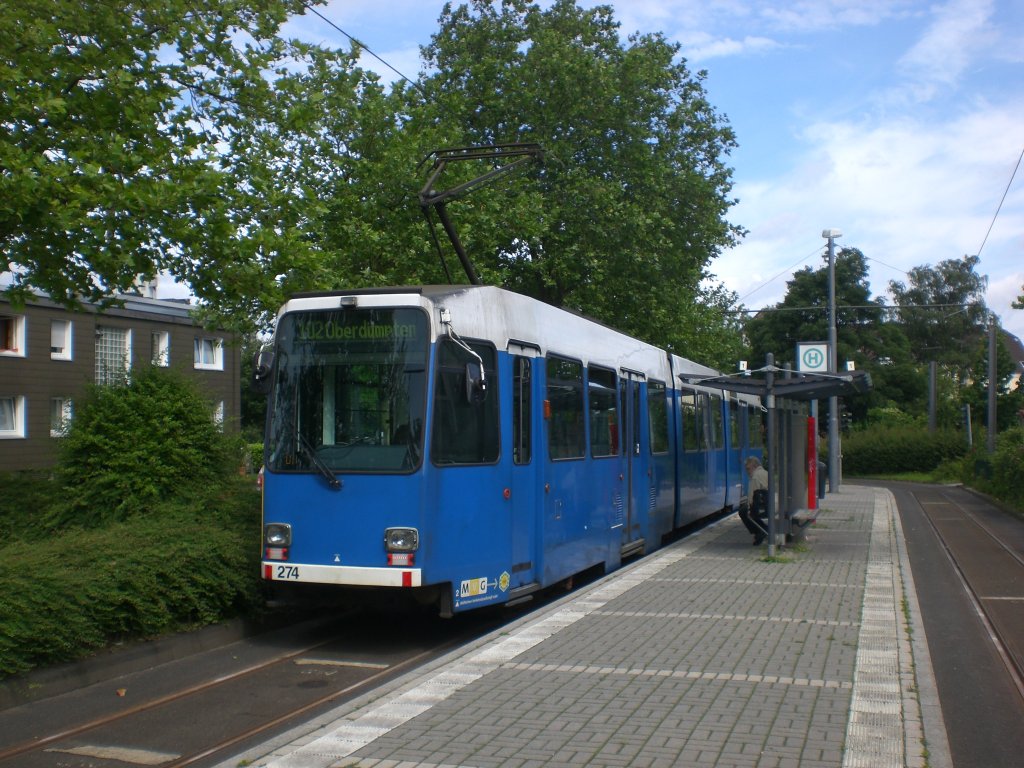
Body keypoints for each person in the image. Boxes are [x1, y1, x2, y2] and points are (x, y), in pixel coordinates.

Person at [739, 456, 769, 545]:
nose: (747, 472)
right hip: (769, 506)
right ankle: (762, 530)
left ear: (754, 466)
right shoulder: (766, 473)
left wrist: (748, 506)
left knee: (743, 511)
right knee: (749, 512)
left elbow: (751, 497)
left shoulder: (755, 477)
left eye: (748, 469)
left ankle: (760, 531)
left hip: (761, 508)